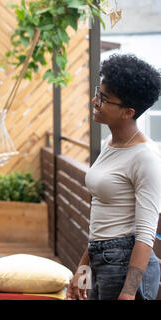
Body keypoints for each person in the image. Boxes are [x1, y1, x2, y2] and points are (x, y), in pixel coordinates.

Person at [67, 54, 161, 300]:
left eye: (104, 99)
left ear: (128, 112)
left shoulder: (146, 157)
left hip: (124, 265)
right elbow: (102, 218)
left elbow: (145, 233)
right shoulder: (111, 143)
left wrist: (129, 293)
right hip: (102, 257)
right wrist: (83, 268)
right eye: (99, 92)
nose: (94, 100)